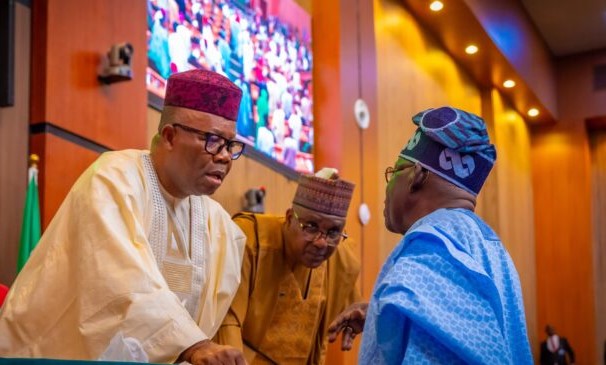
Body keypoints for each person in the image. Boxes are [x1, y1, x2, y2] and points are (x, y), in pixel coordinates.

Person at [0, 69, 249, 365]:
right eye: (212, 140)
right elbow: (120, 285)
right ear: (169, 136)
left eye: (230, 145)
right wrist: (193, 345)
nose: (223, 156)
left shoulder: (219, 225)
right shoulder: (113, 179)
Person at [328, 106, 533, 364]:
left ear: (416, 176)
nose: (388, 185)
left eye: (394, 172)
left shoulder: (431, 248)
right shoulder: (491, 248)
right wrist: (390, 316)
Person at [214, 168, 362, 364]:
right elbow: (226, 319)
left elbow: (354, 310)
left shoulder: (341, 259)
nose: (321, 243)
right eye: (311, 226)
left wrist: (372, 315)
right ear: (290, 217)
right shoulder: (249, 239)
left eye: (334, 231)